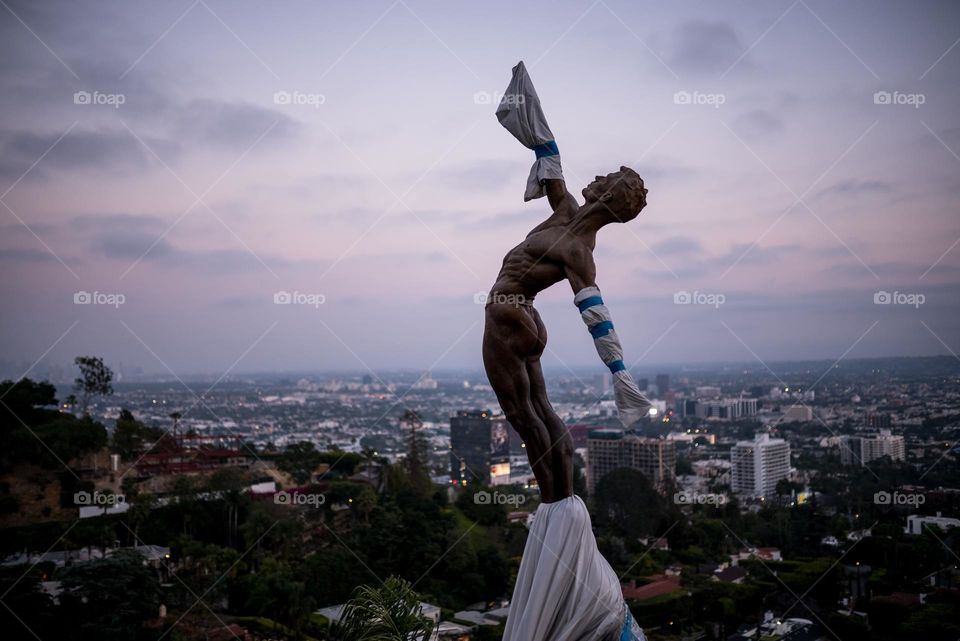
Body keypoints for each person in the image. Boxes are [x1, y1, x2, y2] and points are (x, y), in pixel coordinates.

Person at [482, 168, 650, 641]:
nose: (595, 175)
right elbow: (552, 167)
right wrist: (533, 129)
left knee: (524, 417)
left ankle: (556, 503)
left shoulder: (578, 248)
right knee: (540, 412)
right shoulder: (567, 214)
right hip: (526, 316)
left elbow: (596, 315)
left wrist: (620, 372)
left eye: (607, 176)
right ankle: (561, 501)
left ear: (609, 195)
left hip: (507, 312)